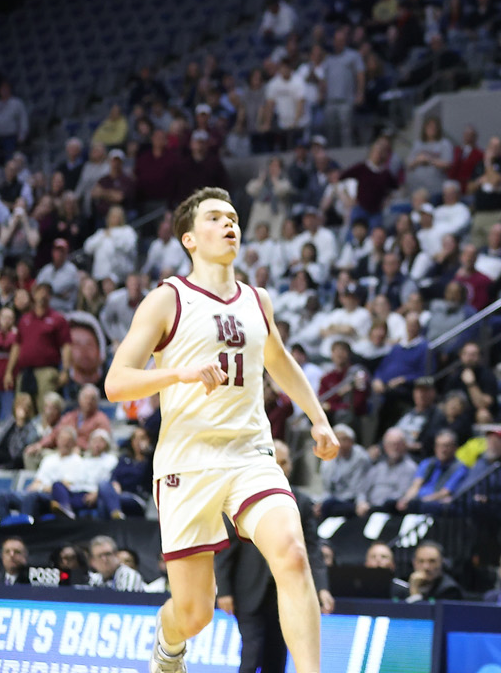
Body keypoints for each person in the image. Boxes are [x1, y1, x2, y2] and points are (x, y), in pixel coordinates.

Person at [104, 186, 339, 673]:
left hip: (250, 456)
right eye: (215, 217)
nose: (229, 224)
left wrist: (319, 419)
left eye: (232, 217)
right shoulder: (167, 299)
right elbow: (116, 383)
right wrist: (177, 373)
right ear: (190, 238)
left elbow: (279, 360)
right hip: (187, 463)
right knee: (194, 614)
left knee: (293, 556)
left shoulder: (258, 300)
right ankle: (168, 647)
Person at [213, 440, 333, 673]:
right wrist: (224, 590)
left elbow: (312, 549)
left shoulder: (303, 502)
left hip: (286, 592)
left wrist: (322, 588)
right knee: (251, 655)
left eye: (284, 462)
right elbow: (225, 548)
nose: (280, 466)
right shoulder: (241, 496)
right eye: (274, 461)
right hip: (248, 589)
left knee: (277, 657)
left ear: (289, 465)